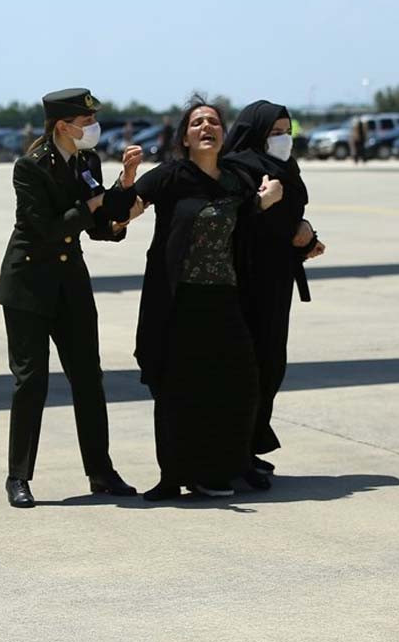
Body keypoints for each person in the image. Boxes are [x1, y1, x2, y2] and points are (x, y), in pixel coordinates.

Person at [0, 87, 144, 509]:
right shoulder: (30, 167)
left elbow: (98, 226)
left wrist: (124, 190)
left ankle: (101, 471)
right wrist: (93, 206)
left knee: (88, 378)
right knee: (31, 382)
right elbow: (45, 228)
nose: (93, 128)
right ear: (63, 126)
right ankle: (18, 476)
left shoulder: (87, 161)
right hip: (29, 283)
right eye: (86, 122)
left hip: (70, 282)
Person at [132, 98, 283, 501]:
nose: (206, 128)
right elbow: (129, 206)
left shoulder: (237, 179)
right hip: (179, 300)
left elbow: (252, 218)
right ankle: (173, 476)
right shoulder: (171, 176)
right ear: (184, 137)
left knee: (240, 384)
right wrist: (127, 183)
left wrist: (269, 202)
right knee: (176, 389)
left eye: (213, 122)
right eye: (197, 123)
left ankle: (221, 469)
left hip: (225, 298)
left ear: (223, 133)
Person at [223, 101, 326, 489]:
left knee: (271, 365)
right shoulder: (236, 168)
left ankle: (249, 446)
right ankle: (234, 454)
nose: (284, 139)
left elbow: (287, 219)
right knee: (248, 369)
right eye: (275, 132)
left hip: (277, 281)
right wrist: (292, 228)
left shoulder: (286, 167)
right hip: (247, 282)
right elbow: (243, 223)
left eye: (287, 131)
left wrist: (305, 236)